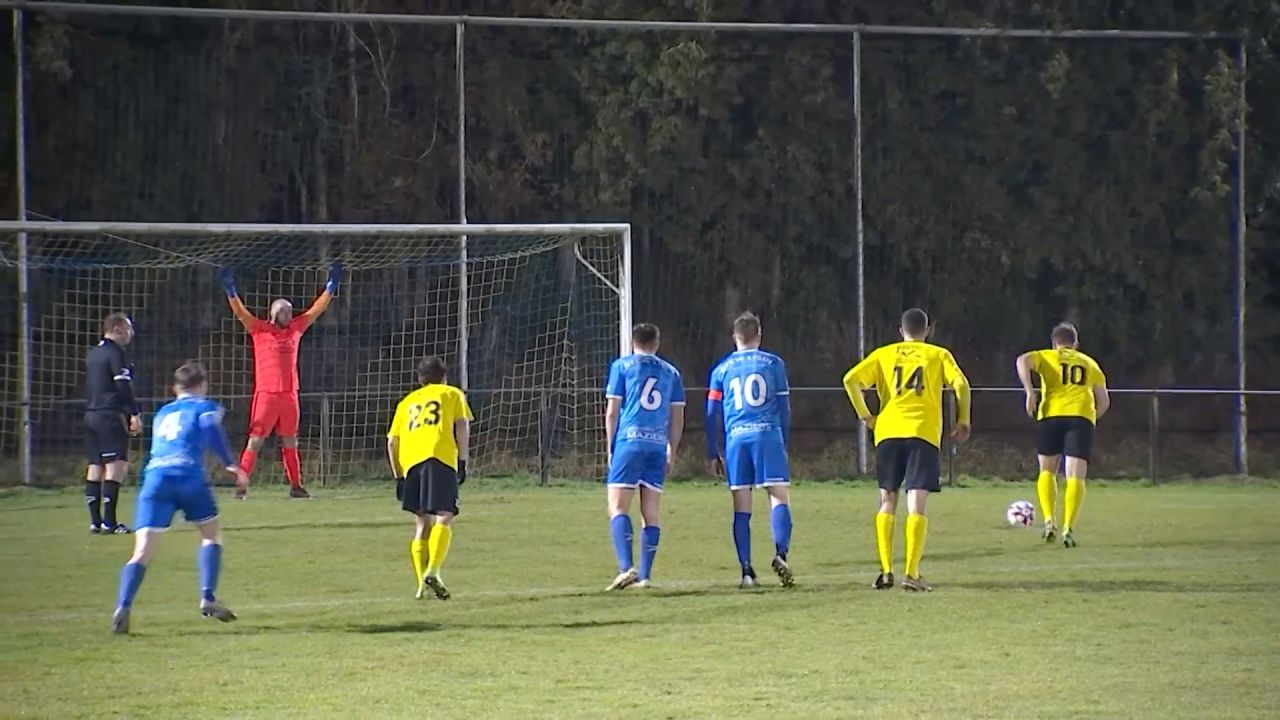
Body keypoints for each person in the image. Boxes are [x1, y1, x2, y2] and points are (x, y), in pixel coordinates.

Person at [111, 361, 249, 634]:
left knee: (142, 551)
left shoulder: (162, 412)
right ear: (202, 385)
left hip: (155, 478)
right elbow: (211, 429)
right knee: (210, 535)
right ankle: (207, 596)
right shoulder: (204, 406)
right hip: (188, 475)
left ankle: (123, 605)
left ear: (175, 388)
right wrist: (231, 464)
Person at [842, 308, 971, 592]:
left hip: (888, 432)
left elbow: (850, 380)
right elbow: (961, 383)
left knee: (887, 499)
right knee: (917, 501)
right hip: (922, 433)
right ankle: (911, 573)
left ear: (901, 331)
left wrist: (867, 416)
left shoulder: (883, 354)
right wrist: (963, 418)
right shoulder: (938, 355)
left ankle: (886, 570)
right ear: (927, 330)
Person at [218, 261, 343, 499]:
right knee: (255, 441)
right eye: (284, 310)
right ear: (274, 313)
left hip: (290, 394)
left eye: (290, 309)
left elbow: (316, 310)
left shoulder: (296, 328)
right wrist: (231, 292)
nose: (289, 313)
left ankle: (296, 486)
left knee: (290, 441)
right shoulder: (260, 330)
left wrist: (330, 287)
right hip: (266, 394)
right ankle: (241, 486)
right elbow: (240, 313)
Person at [705, 312, 795, 589]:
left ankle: (746, 571)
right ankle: (781, 554)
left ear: (735, 337)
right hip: (768, 434)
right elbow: (784, 408)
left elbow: (711, 413)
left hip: (737, 439)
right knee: (779, 497)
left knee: (741, 507)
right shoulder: (774, 363)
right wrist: (785, 442)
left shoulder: (721, 369)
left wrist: (712, 450)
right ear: (760, 334)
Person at [602, 323, 686, 591]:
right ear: (657, 343)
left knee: (617, 506)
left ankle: (626, 568)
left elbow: (612, 411)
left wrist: (610, 448)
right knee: (650, 513)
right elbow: (677, 416)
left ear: (632, 342)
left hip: (629, 440)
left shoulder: (622, 367)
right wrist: (672, 448)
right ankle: (646, 576)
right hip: (656, 444)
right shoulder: (671, 372)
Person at [1015, 323, 1110, 548]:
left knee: (1047, 470)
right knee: (1075, 475)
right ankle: (1069, 527)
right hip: (1080, 417)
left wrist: (1030, 391)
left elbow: (1022, 360)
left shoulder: (1048, 356)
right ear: (1075, 344)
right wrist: (1091, 420)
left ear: (1054, 342)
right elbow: (1104, 400)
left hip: (1051, 416)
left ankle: (1049, 521)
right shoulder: (1089, 363)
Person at [388, 356, 473, 601]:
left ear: (419, 379)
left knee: (421, 523)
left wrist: (398, 476)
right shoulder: (451, 394)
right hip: (439, 456)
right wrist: (462, 461)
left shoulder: (406, 402)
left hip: (411, 461)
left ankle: (421, 586)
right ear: (444, 376)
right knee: (445, 516)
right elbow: (461, 425)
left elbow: (392, 441)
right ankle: (434, 571)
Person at [84, 313, 142, 534]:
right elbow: (123, 387)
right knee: (115, 465)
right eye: (128, 329)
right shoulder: (116, 353)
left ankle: (95, 522)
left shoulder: (93, 353)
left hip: (90, 414)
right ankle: (110, 522)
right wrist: (133, 413)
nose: (131, 334)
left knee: (95, 465)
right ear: (118, 329)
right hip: (109, 415)